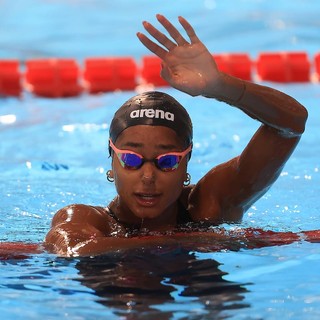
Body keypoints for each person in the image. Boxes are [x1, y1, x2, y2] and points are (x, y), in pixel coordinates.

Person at [44, 14, 308, 257]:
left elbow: (291, 123)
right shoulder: (87, 219)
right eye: (132, 160)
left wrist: (220, 86)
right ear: (112, 159)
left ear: (186, 162)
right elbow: (73, 250)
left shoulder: (210, 205)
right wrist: (194, 241)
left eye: (167, 161)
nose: (148, 177)